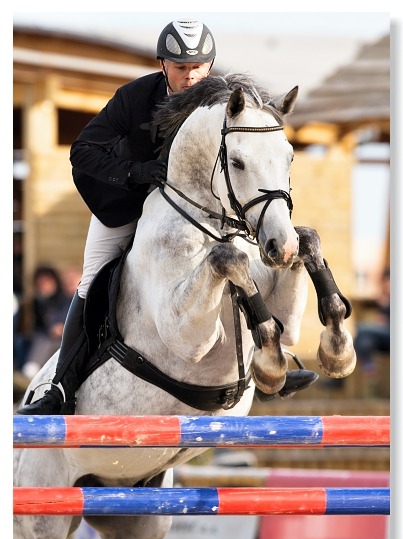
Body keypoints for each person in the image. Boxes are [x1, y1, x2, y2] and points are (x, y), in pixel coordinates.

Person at [18, 20, 316, 415]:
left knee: (243, 268)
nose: (189, 76)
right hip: (127, 204)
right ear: (162, 64)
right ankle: (61, 387)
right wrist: (134, 173)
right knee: (91, 281)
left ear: (209, 66)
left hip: (198, 213)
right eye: (180, 67)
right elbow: (83, 150)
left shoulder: (226, 103)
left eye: (197, 66)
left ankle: (265, 369)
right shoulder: (135, 97)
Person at [354, 267, 390, 390]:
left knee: (362, 328)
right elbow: (381, 322)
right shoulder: (386, 300)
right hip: (386, 336)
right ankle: (370, 371)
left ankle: (368, 366)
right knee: (365, 339)